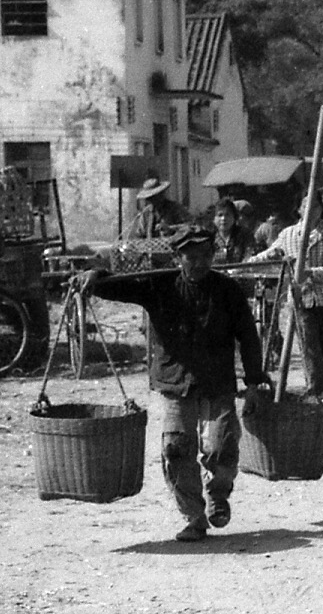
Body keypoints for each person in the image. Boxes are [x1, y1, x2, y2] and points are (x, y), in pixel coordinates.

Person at [77, 225, 268, 542]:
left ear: (213, 256)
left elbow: (248, 336)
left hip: (216, 380)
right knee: (176, 449)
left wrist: (253, 383)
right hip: (176, 381)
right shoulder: (160, 286)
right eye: (191, 257)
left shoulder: (227, 290)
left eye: (205, 256)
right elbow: (119, 288)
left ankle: (217, 496)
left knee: (221, 445)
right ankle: (194, 517)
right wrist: (95, 277)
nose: (199, 263)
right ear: (178, 257)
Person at [251, 199, 323, 401]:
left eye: (315, 206)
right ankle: (317, 398)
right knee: (310, 354)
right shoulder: (288, 235)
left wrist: (312, 273)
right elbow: (269, 255)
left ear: (320, 210)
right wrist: (245, 265)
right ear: (299, 209)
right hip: (301, 303)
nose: (310, 211)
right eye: (306, 206)